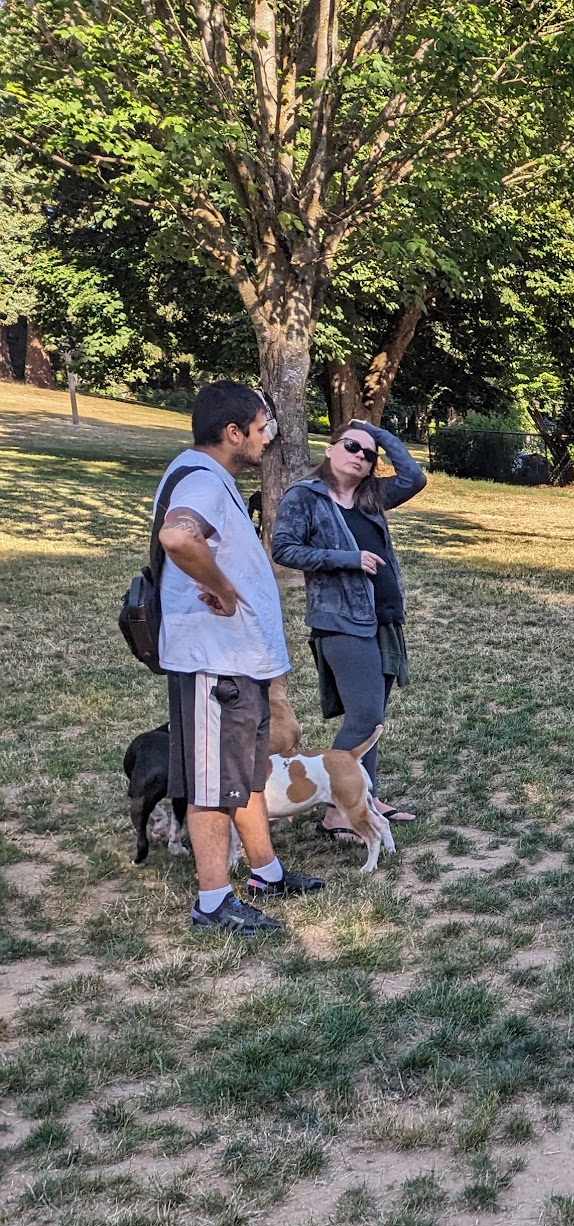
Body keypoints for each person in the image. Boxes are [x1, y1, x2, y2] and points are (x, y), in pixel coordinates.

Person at [155, 382, 325, 934]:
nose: (267, 438)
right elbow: (178, 538)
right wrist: (225, 591)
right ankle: (212, 902)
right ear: (233, 433)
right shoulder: (202, 479)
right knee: (212, 786)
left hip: (237, 664)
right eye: (262, 428)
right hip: (214, 665)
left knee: (246, 777)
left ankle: (266, 872)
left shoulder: (213, 480)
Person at [271, 418, 427, 836]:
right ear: (330, 448)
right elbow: (284, 548)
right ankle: (336, 810)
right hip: (340, 620)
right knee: (364, 713)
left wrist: (379, 434)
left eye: (368, 453)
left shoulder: (370, 495)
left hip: (383, 618)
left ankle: (364, 797)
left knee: (373, 719)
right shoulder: (305, 497)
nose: (361, 456)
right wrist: (347, 558)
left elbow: (414, 477)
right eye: (352, 447)